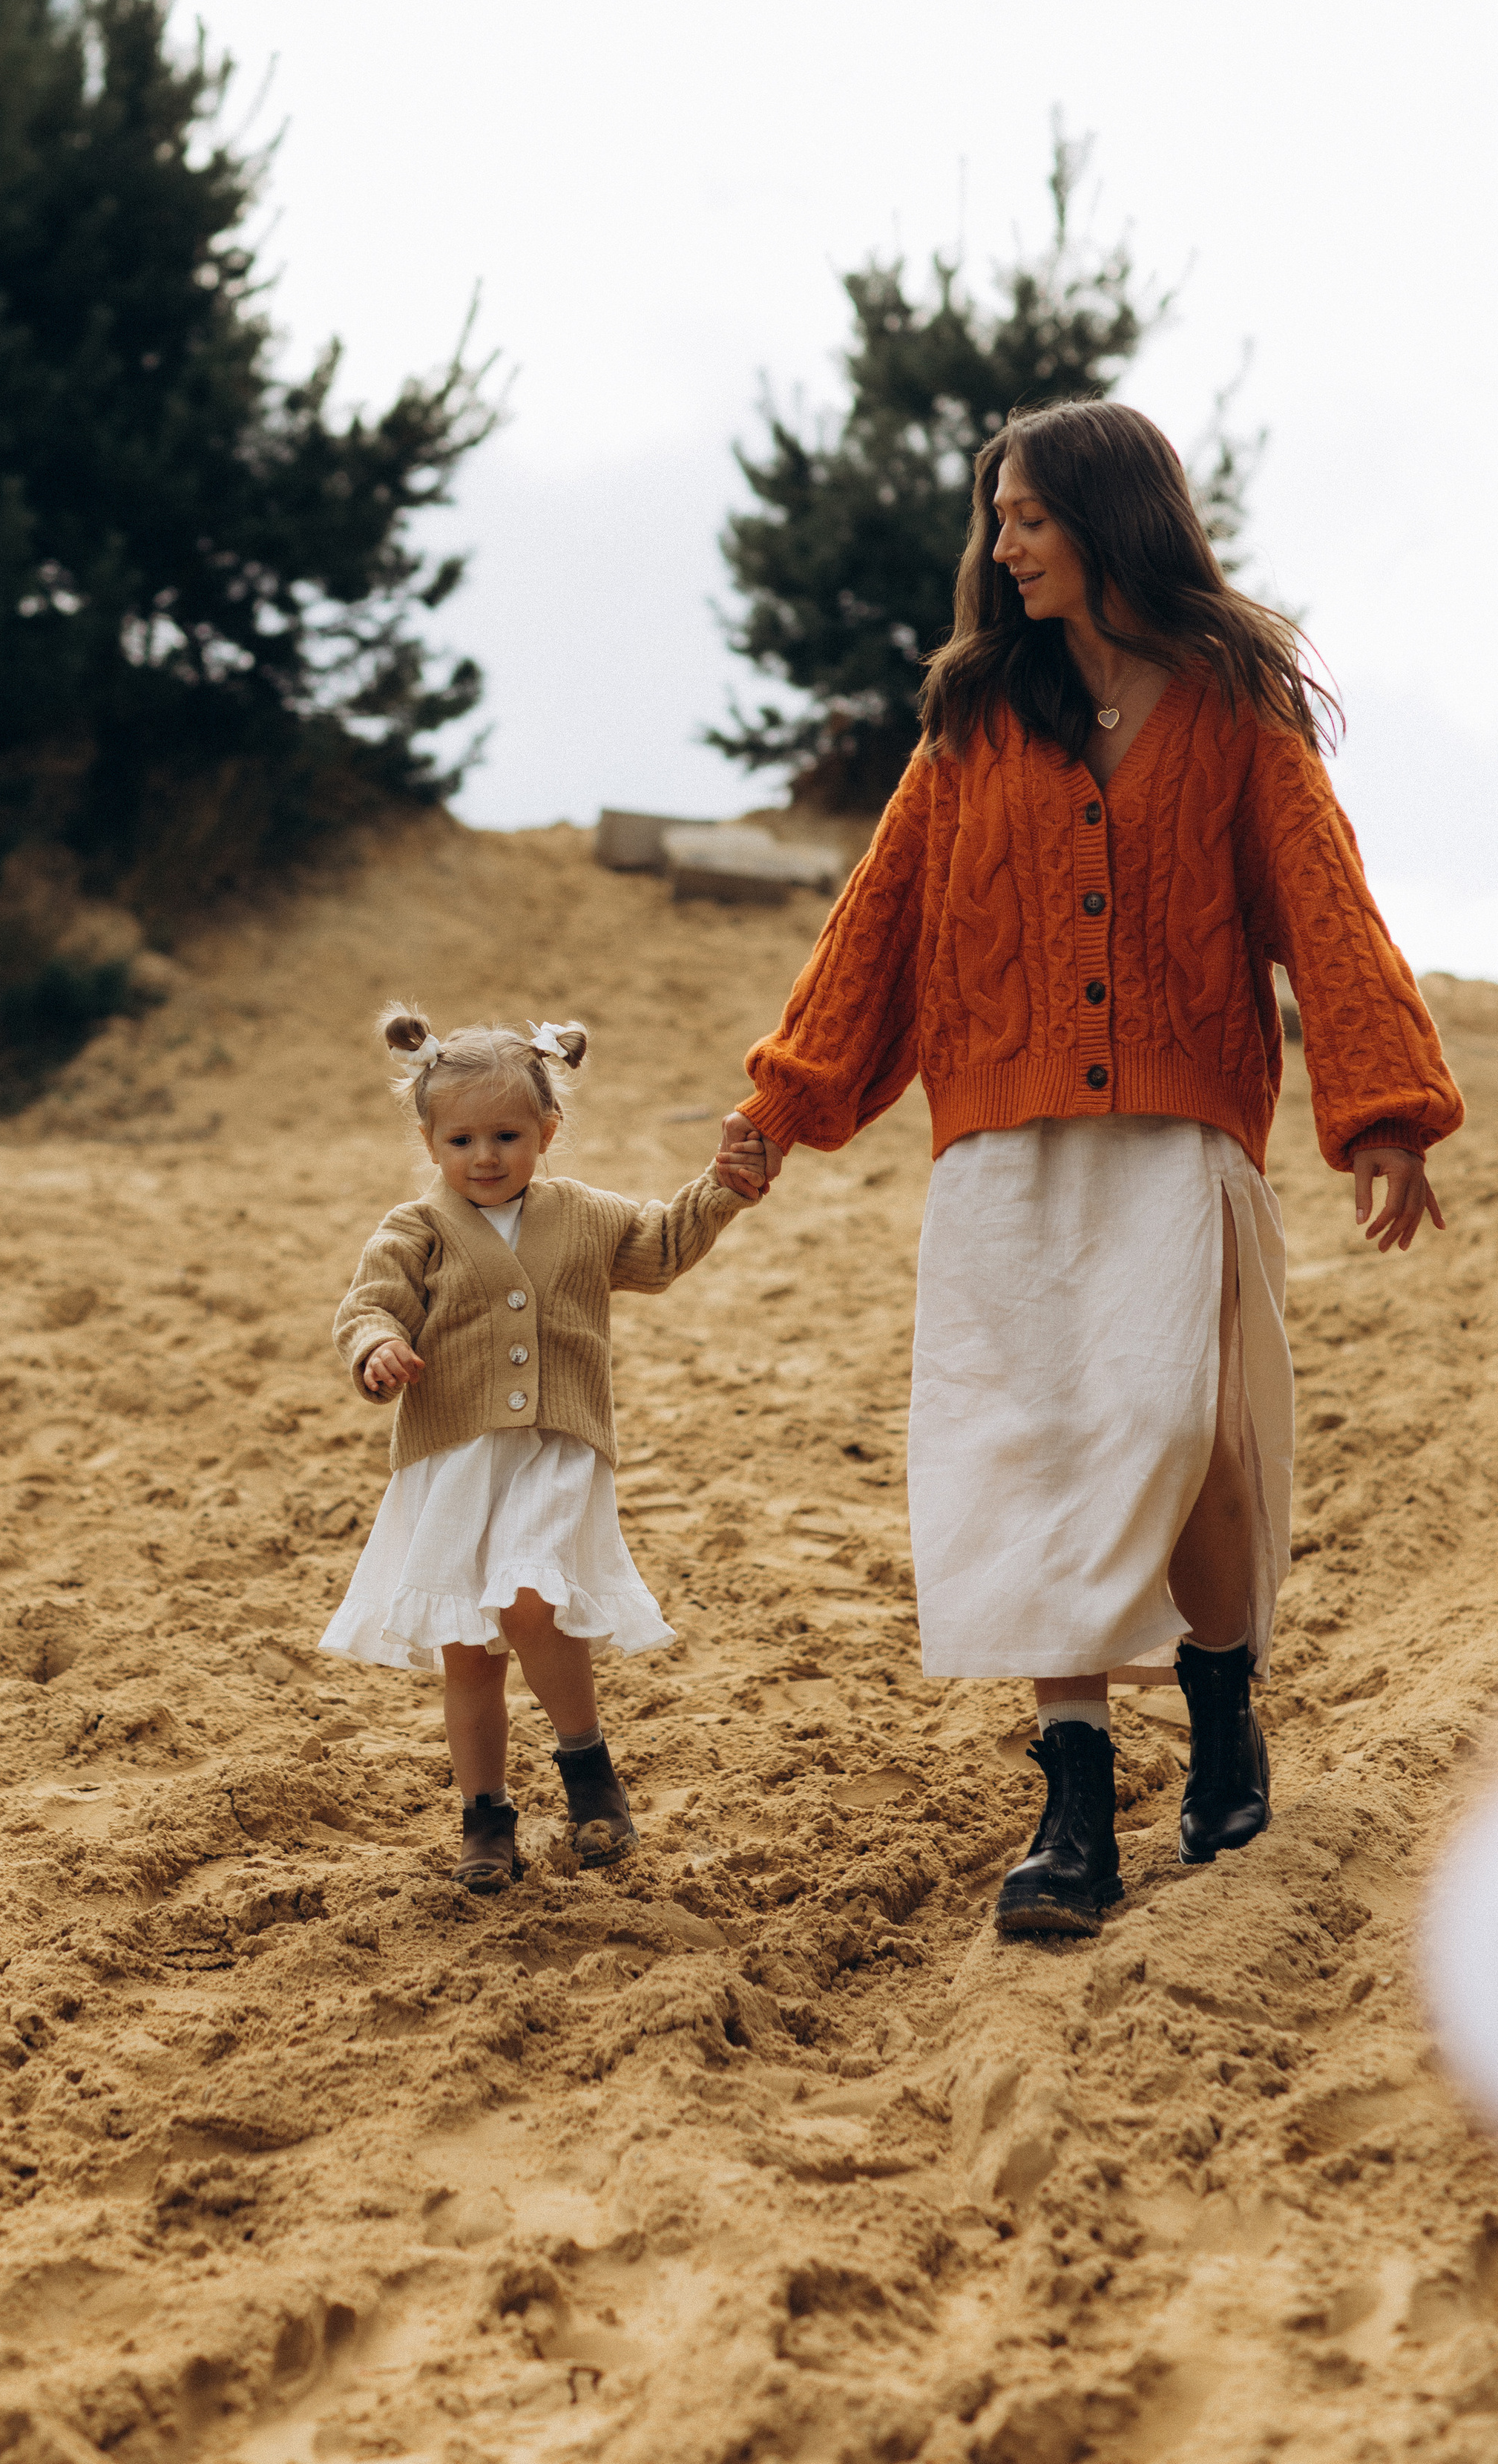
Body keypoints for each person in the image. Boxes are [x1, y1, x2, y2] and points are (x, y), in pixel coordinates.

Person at [715, 399, 1462, 1942]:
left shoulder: (1232, 707)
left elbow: (1321, 904)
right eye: (996, 519)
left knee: (1181, 1428)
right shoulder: (970, 719)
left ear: (1110, 521)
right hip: (1000, 1147)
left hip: (1180, 1132)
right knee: (1034, 1447)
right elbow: (879, 922)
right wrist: (785, 1100)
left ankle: (1219, 1704)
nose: (1001, 546)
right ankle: (1070, 1805)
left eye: (1028, 518)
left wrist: (1379, 1106)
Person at [325, 1006, 752, 1894]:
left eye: (508, 1135)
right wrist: (374, 1350)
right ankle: (486, 1818)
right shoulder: (417, 1228)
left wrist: (723, 1186)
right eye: (463, 1139)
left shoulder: (584, 1215)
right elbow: (368, 1307)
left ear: (546, 1133)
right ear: (430, 1140)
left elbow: (663, 1247)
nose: (486, 1156)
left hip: (556, 1448)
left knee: (528, 1603)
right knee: (469, 1653)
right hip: (453, 1461)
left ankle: (586, 1768)